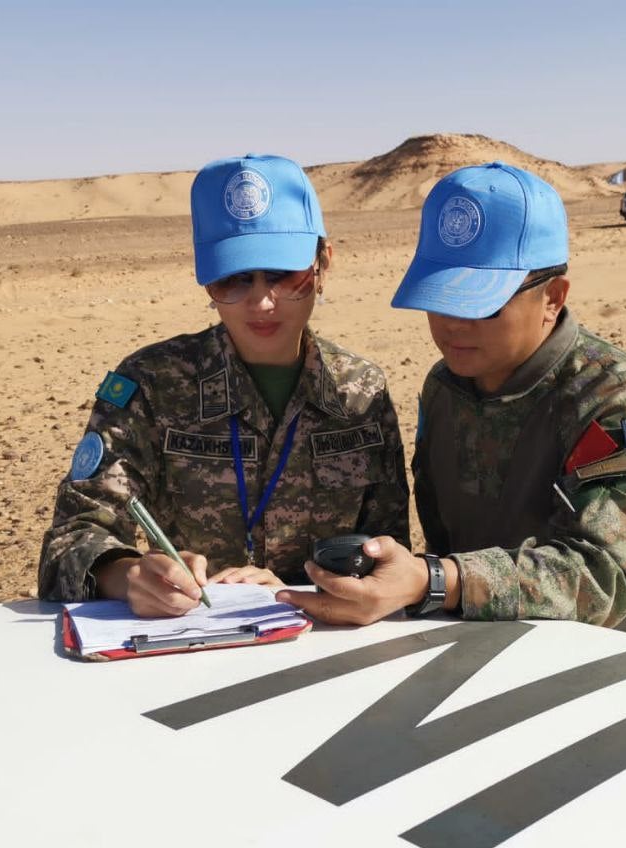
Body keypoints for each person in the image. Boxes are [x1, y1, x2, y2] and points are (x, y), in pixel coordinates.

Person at [279, 162, 626, 644]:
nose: (453, 325)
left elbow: (604, 572)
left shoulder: (610, 396)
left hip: (615, 662)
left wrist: (436, 580)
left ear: (552, 298)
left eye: (481, 305)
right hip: (486, 650)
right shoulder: (445, 387)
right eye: (440, 298)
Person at [38, 154, 410, 616]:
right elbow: (71, 538)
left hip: (320, 643)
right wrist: (129, 574)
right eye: (233, 280)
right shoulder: (153, 384)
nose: (261, 301)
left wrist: (297, 592)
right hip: (189, 639)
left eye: (283, 275)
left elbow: (389, 558)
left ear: (323, 265)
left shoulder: (361, 392)